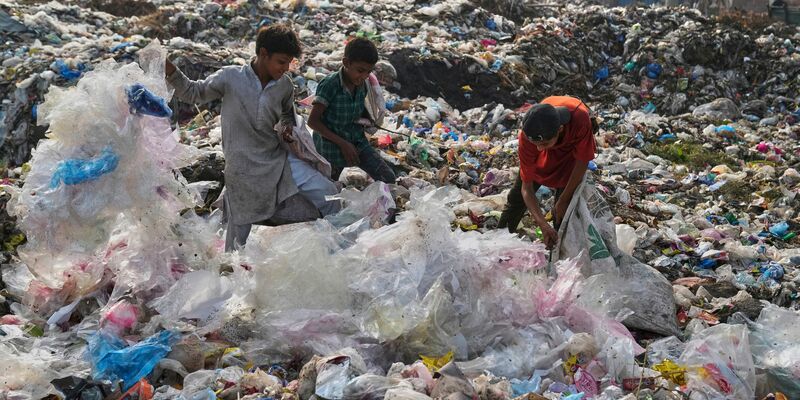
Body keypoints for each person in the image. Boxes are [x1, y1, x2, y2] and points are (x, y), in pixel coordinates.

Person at [165, 24, 340, 251]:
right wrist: (168, 69)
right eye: (281, 61)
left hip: (277, 160)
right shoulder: (230, 78)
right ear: (263, 53)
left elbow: (288, 113)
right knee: (237, 244)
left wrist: (287, 127)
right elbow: (193, 92)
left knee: (328, 194)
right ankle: (230, 278)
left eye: (289, 63)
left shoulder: (284, 85)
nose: (285, 68)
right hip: (242, 167)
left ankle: (336, 248)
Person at [497, 96, 597, 249]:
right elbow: (526, 188)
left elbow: (582, 161)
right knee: (516, 198)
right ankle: (499, 241)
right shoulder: (528, 138)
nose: (539, 149)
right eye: (536, 144)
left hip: (569, 154)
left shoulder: (579, 119)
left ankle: (558, 251)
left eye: (544, 144)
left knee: (565, 210)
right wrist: (542, 224)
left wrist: (563, 200)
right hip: (544, 156)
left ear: (560, 129)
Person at [308, 37, 397, 184]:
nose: (364, 76)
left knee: (388, 178)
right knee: (329, 192)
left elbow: (359, 111)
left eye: (368, 72)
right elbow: (313, 122)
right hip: (331, 148)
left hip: (357, 142)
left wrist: (369, 120)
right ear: (346, 63)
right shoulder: (331, 84)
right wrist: (343, 144)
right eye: (360, 70)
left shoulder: (362, 84)